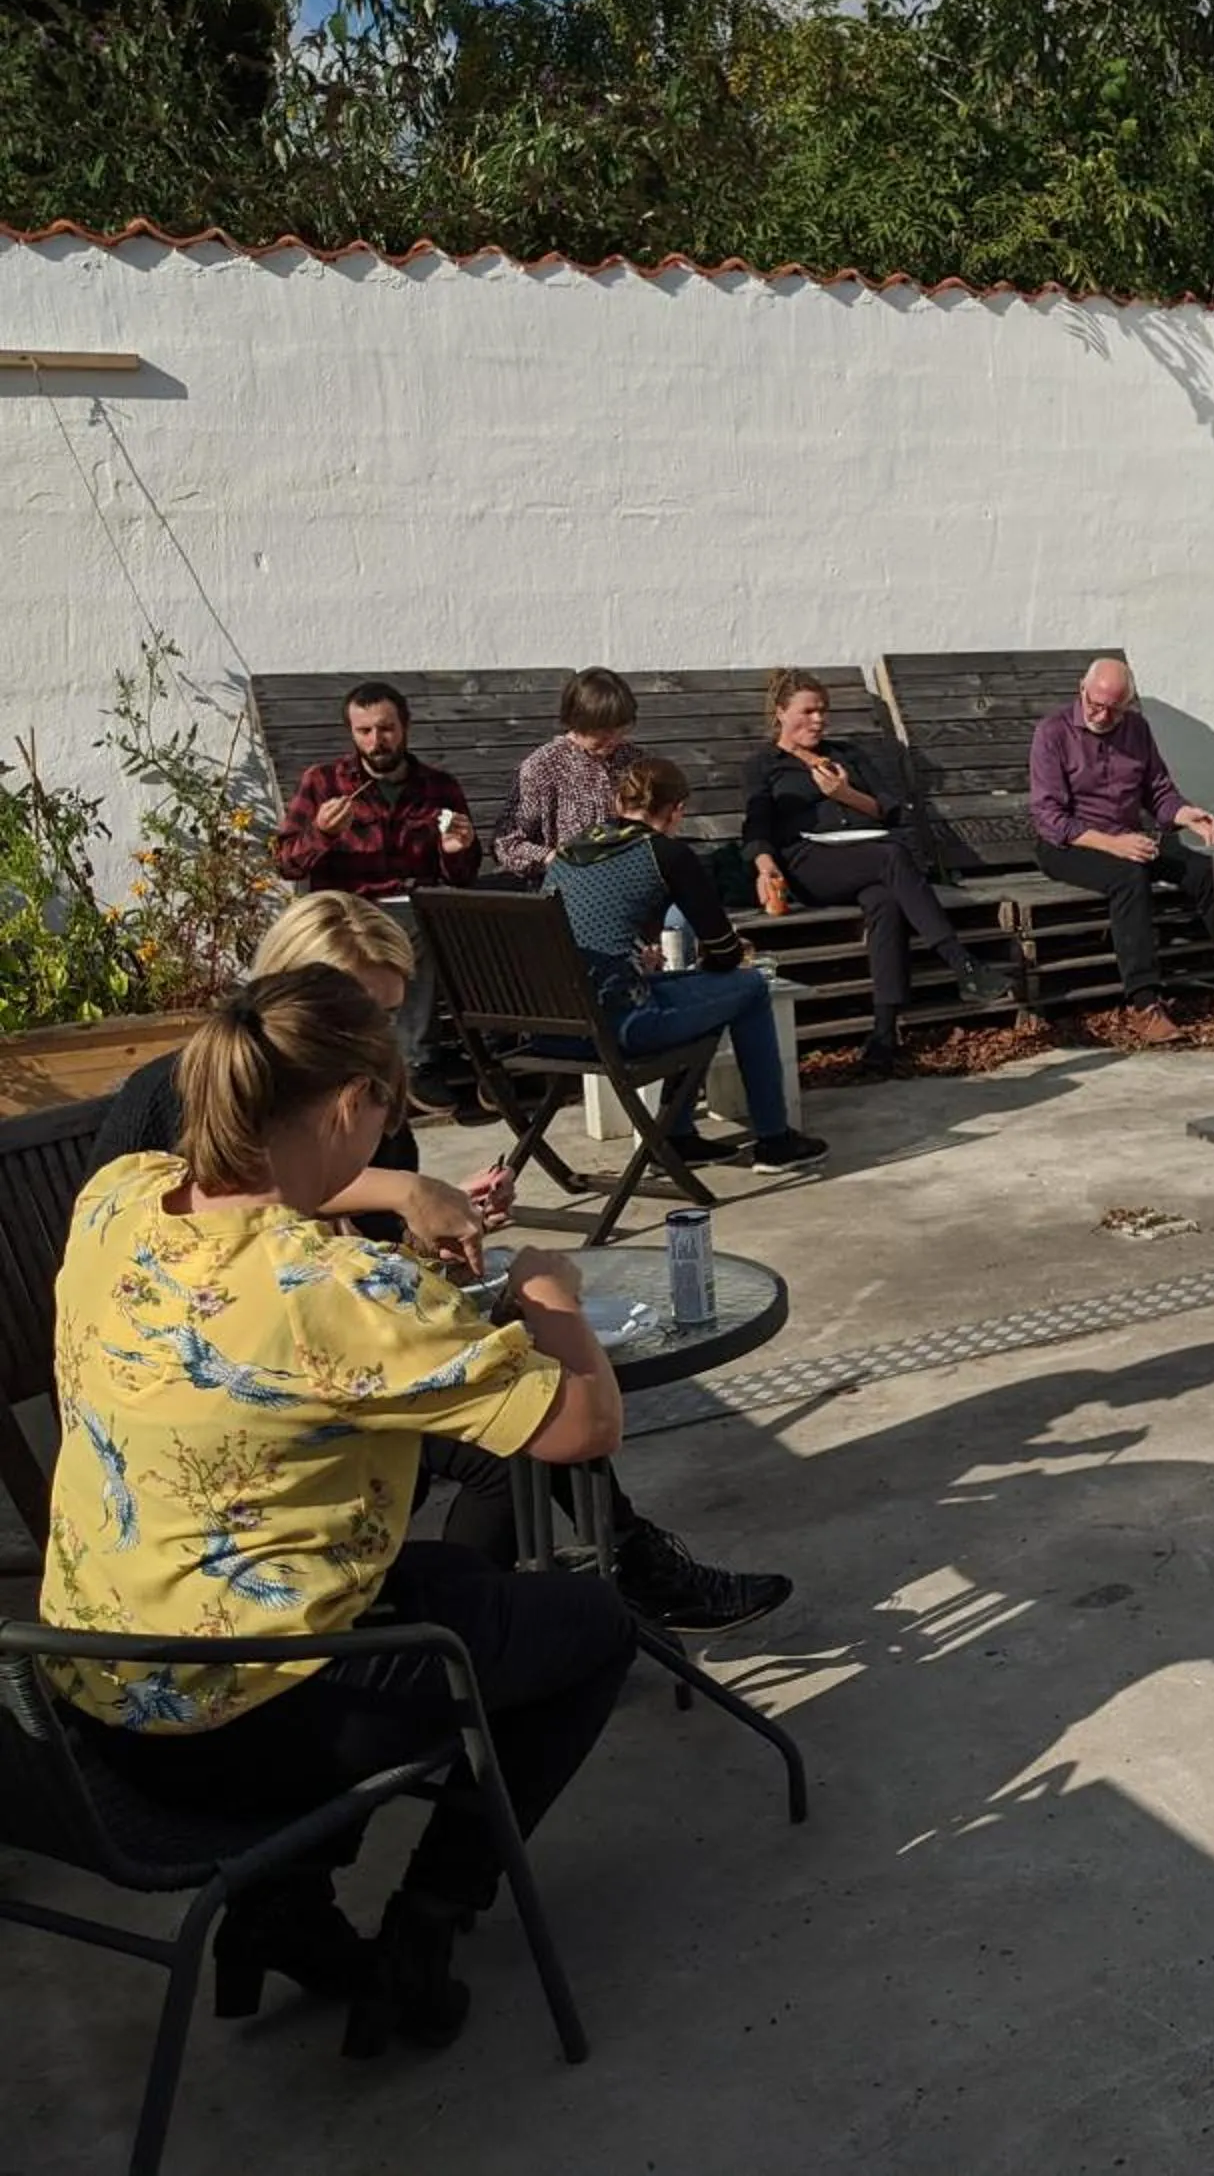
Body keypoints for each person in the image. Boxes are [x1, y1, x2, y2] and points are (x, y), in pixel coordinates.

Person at [43, 965, 634, 2057]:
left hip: (87, 1692)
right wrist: (554, 1301)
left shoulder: (119, 1196)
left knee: (455, 1590)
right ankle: (428, 1925)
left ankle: (285, 1914)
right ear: (350, 1106)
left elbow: (255, 1255)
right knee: (593, 1628)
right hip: (237, 1725)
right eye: (393, 1108)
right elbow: (581, 1430)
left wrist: (398, 1218)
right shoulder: (344, 1292)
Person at [92, 892, 796, 1635]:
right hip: (219, 1405)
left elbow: (344, 1259)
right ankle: (537, 1620)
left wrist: (425, 1232)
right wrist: (409, 1198)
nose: (375, 1038)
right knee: (529, 1428)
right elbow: (241, 1213)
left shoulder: (147, 1186)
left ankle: (493, 1623)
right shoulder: (206, 1092)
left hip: (292, 1378)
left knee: (506, 1432)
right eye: (351, 1010)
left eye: (389, 1013)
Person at [547, 758, 829, 1174]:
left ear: (617, 801)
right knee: (747, 988)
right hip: (618, 1025)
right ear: (677, 809)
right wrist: (725, 954)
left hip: (554, 1024)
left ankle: (677, 1136)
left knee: (709, 993)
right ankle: (774, 1139)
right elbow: (723, 950)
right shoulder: (666, 854)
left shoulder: (569, 852)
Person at [742, 667, 1004, 1079]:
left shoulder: (847, 755)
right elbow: (756, 825)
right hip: (809, 862)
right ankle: (961, 963)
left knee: (885, 902)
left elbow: (890, 808)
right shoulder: (765, 765)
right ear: (781, 713)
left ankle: (883, 1036)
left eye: (823, 711)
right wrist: (765, 867)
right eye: (808, 711)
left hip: (864, 853)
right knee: (891, 856)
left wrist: (844, 794)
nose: (818, 720)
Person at [269, 679, 481, 1107]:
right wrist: (323, 833)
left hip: (415, 901)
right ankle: (417, 1062)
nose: (375, 741)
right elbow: (286, 862)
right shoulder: (325, 783)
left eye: (385, 729)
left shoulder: (437, 788)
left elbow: (461, 875)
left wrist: (458, 850)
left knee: (458, 921)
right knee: (413, 929)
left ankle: (491, 1058)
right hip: (348, 908)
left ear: (405, 727)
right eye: (363, 731)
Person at [1030, 656, 1214, 1047]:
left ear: (1127, 705)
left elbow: (1158, 791)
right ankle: (1144, 1002)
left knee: (1205, 871)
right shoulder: (1052, 733)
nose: (1102, 715)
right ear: (1081, 691)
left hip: (1127, 839)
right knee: (1129, 876)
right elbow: (1049, 818)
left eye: (1113, 709)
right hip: (1069, 845)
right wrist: (1112, 844)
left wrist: (1187, 815)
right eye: (1095, 705)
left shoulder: (1137, 729)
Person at [495, 667, 645, 883]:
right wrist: (553, 858)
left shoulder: (633, 760)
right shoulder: (544, 766)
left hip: (631, 880)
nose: (614, 739)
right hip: (570, 887)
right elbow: (507, 843)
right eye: (603, 732)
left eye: (620, 729)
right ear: (578, 722)